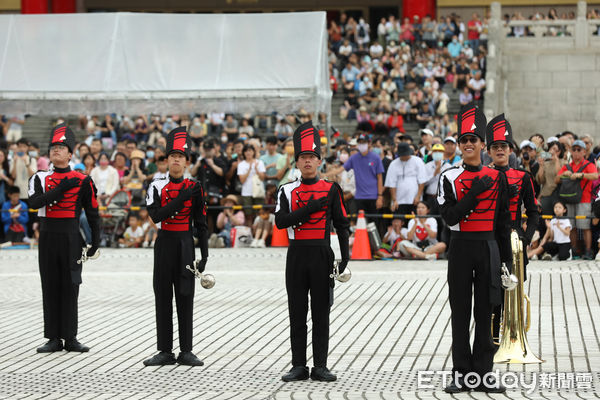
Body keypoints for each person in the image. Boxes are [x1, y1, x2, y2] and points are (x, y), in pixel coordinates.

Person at [437, 103, 511, 393]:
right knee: (460, 311)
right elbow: (451, 216)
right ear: (459, 145)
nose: (468, 144)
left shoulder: (498, 177)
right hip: (460, 248)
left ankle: (484, 372)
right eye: (463, 140)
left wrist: (506, 261)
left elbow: (503, 223)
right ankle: (461, 372)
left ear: (483, 144)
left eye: (473, 140)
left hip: (489, 248)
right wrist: (476, 192)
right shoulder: (448, 177)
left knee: (486, 311)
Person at [275, 121, 350, 382]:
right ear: (296, 162)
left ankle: (320, 365)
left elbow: (342, 224)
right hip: (296, 255)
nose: (307, 161)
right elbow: (280, 222)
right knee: (297, 311)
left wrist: (345, 256)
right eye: (303, 157)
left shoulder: (331, 189)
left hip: (321, 254)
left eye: (312, 157)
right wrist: (310, 208)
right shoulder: (286, 190)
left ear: (319, 162)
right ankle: (298, 365)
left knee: (321, 312)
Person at [28, 124, 100, 353]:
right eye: (53, 147)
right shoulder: (39, 178)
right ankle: (52, 337)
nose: (56, 150)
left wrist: (95, 240)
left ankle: (70, 337)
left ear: (71, 154)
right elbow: (34, 203)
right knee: (49, 285)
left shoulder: (83, 180)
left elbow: (92, 212)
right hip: (48, 235)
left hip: (71, 237)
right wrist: (60, 189)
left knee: (71, 286)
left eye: (61, 147)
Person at [143, 127, 208, 367]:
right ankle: (164, 350)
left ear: (186, 161)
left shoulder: (196, 187)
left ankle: (187, 350)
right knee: (162, 296)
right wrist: (182, 197)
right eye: (172, 156)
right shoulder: (156, 186)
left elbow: (201, 223)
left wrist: (205, 255)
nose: (176, 160)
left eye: (180, 156)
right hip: (164, 242)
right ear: (167, 160)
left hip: (185, 244)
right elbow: (157, 215)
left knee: (185, 296)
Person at [485, 114, 539, 343]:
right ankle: (492, 336)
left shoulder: (523, 177)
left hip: (514, 242)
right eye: (495, 147)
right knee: (491, 291)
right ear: (488, 151)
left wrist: (525, 239)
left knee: (514, 290)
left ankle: (513, 334)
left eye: (504, 146)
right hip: (488, 241)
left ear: (510, 150)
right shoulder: (482, 176)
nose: (500, 150)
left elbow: (534, 212)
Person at [555, 139, 599, 259]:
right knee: (572, 226)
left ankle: (588, 251)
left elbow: (595, 175)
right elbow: (556, 179)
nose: (576, 152)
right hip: (570, 199)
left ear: (584, 152)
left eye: (579, 150)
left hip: (584, 199)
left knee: (585, 227)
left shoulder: (588, 165)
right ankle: (574, 250)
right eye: (573, 149)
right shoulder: (567, 166)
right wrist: (565, 174)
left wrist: (581, 175)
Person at [385, 142, 428, 215]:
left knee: (413, 221)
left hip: (414, 199)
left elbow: (422, 181)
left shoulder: (418, 161)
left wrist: (418, 196)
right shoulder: (393, 164)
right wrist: (394, 200)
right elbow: (392, 184)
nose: (405, 156)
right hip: (399, 200)